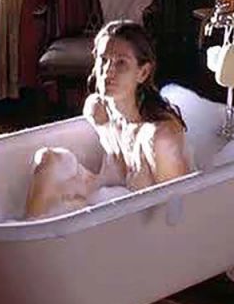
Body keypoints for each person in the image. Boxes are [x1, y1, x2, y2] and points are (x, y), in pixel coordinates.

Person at [25, 20, 193, 219]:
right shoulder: (98, 110)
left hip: (143, 226)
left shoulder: (159, 137)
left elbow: (179, 214)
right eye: (103, 60)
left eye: (121, 63)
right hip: (113, 206)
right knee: (48, 159)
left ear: (143, 73)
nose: (108, 72)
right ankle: (30, 228)